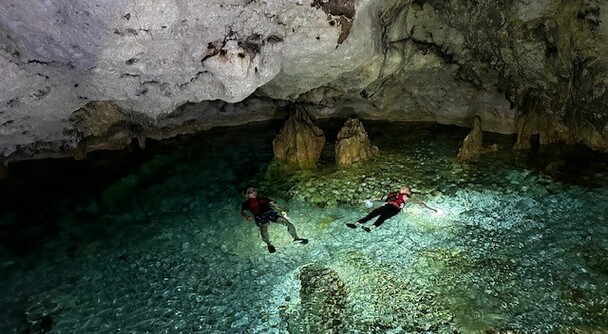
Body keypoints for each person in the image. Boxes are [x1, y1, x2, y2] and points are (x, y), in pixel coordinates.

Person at [241, 186, 308, 253]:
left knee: (286, 221)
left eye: (254, 190)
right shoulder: (246, 203)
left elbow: (273, 204)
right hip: (260, 216)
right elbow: (243, 212)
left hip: (270, 213)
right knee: (264, 230)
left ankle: (296, 238)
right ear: (246, 195)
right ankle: (269, 244)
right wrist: (247, 216)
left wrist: (282, 209)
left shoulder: (263, 199)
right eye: (250, 192)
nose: (253, 192)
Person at [346, 185, 436, 232]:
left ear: (408, 191)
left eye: (404, 188)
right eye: (402, 187)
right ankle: (356, 224)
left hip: (395, 208)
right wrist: (365, 200)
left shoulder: (406, 196)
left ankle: (370, 228)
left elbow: (417, 202)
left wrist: (430, 208)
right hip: (386, 205)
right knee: (372, 214)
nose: (402, 188)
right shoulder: (392, 194)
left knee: (383, 217)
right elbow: (379, 199)